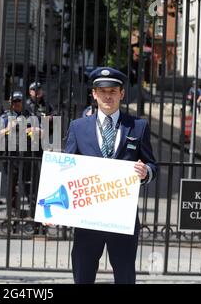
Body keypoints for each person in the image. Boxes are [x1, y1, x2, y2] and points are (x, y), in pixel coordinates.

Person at [65, 67, 157, 284]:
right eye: (103, 91)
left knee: (125, 274)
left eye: (113, 91)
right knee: (83, 273)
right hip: (88, 218)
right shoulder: (78, 127)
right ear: (94, 94)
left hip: (122, 217)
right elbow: (67, 168)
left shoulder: (138, 126)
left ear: (122, 93)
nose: (108, 96)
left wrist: (146, 172)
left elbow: (153, 164)